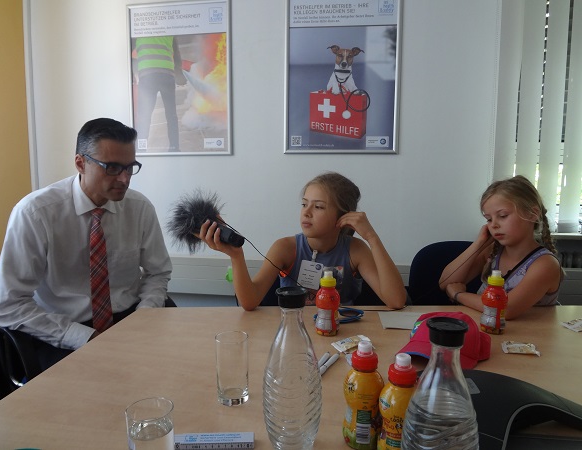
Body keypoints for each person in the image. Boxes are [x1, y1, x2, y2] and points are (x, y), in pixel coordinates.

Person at [0, 118, 172, 370]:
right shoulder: (35, 213)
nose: (124, 179)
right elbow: (8, 305)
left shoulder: (139, 207)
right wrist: (83, 337)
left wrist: (144, 316)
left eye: (130, 167)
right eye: (112, 168)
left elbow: (158, 272)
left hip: (128, 319)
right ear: (80, 163)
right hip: (63, 330)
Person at [199, 171, 406, 311]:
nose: (306, 212)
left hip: (340, 332)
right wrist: (236, 256)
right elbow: (250, 302)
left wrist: (371, 237)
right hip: (295, 330)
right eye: (304, 204)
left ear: (343, 216)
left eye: (318, 207)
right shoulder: (285, 248)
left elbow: (396, 301)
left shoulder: (355, 250)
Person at [440, 175, 563, 319]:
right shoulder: (493, 251)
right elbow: (445, 282)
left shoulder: (545, 264)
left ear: (532, 214)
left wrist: (458, 294)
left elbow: (505, 309)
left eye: (503, 216)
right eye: (488, 219)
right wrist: (478, 244)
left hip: (529, 333)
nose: (493, 225)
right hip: (487, 327)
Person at [133, 35, 182, 152]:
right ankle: (174, 148)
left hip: (147, 76)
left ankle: (141, 149)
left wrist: (133, 71)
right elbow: (177, 54)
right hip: (167, 74)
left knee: (144, 116)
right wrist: (179, 73)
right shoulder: (169, 32)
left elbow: (129, 54)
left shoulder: (138, 32)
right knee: (171, 115)